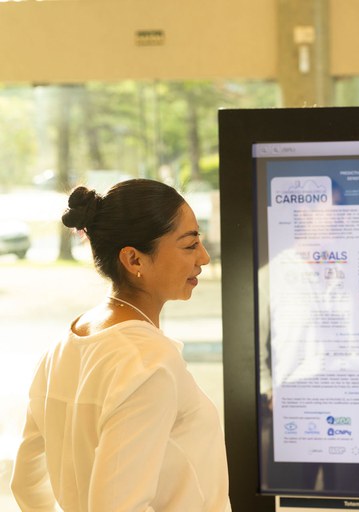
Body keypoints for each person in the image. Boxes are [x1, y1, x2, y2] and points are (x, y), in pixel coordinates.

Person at [11, 179, 231, 511]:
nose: (203, 256)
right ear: (134, 260)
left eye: (198, 239)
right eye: (188, 245)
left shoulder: (64, 346)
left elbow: (27, 483)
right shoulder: (148, 363)